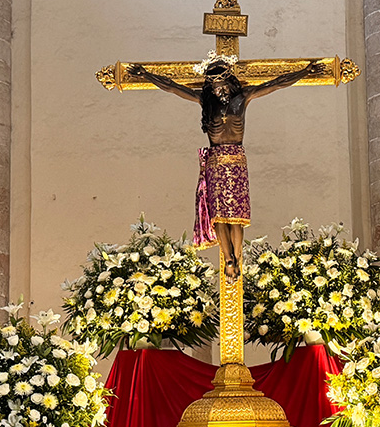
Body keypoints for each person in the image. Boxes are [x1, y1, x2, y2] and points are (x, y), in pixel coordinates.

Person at [127, 55, 319, 281]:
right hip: (216, 161)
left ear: (230, 83)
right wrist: (146, 75)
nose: (220, 91)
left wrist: (305, 72)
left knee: (237, 216)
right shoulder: (205, 101)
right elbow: (172, 87)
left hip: (236, 160)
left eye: (222, 86)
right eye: (215, 87)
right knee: (218, 216)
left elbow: (276, 83)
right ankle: (228, 259)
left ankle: (237, 259)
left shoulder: (243, 98)